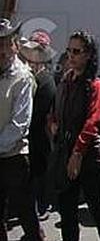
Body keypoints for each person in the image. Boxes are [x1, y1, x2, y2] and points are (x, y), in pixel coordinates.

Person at [50, 30, 100, 241]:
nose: (72, 56)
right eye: (70, 51)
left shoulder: (97, 86)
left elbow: (93, 121)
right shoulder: (66, 81)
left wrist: (78, 152)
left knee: (96, 206)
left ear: (88, 55)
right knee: (66, 212)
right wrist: (53, 124)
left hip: (88, 157)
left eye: (77, 52)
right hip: (66, 153)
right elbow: (56, 110)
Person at [0, 19, 49, 241]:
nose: (1, 51)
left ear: (15, 46)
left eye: (6, 45)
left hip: (15, 157)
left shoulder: (22, 78)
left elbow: (19, 125)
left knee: (25, 212)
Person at [21, 32, 57, 221]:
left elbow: (37, 116)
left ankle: (40, 208)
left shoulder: (45, 81)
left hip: (39, 138)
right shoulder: (30, 76)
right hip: (30, 138)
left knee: (38, 176)